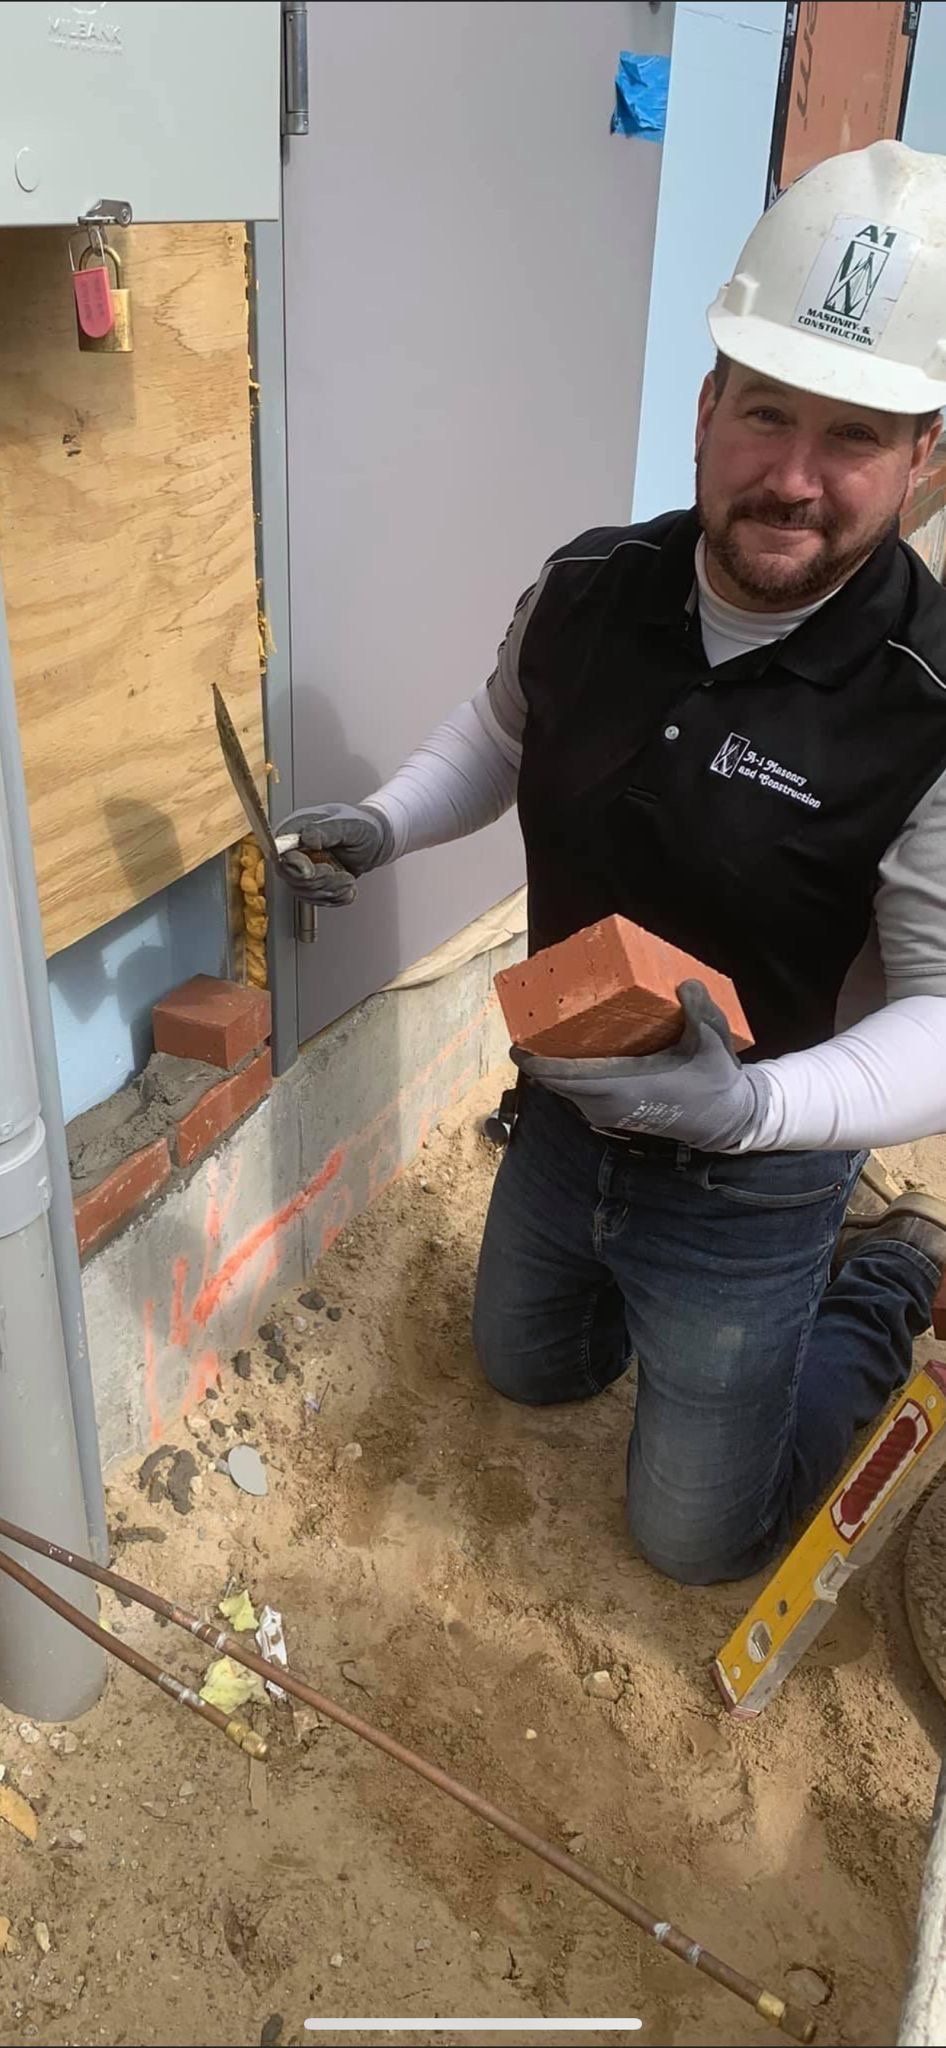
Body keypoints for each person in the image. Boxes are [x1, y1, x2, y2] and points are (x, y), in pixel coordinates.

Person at [279, 140, 946, 1585]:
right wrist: (387, 821)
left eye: (851, 438)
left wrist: (753, 1109)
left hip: (757, 1176)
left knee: (694, 1542)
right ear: (705, 407)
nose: (790, 475)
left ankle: (888, 1273)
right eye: (764, 413)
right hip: (566, 1102)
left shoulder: (928, 706)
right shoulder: (590, 586)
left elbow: (944, 1019)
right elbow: (500, 731)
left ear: (922, 459)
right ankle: (631, 1295)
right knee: (529, 1375)